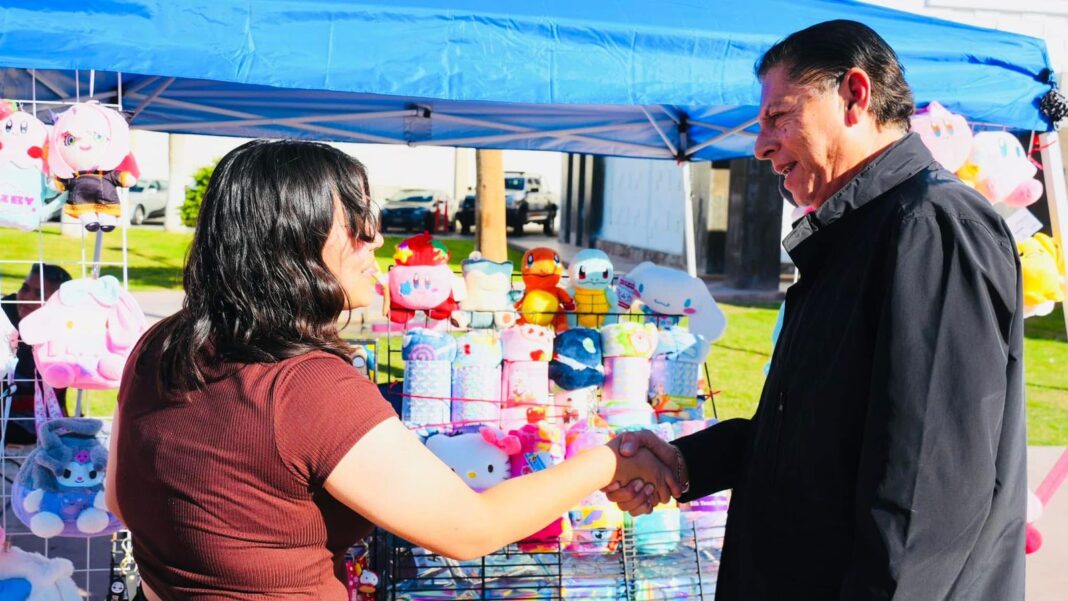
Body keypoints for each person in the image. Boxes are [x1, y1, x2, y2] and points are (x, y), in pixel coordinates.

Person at [105, 140, 676, 601]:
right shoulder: (308, 387)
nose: (375, 239)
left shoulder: (163, 345)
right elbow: (470, 529)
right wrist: (608, 459)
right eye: (356, 223)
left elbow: (118, 499)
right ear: (292, 240)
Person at [607, 19, 1026, 600]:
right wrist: (684, 463)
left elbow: (925, 494)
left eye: (778, 117)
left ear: (854, 95)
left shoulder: (929, 225)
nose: (761, 146)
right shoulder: (855, 233)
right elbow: (809, 434)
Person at [1, 263, 72, 444]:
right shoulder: (4, 315)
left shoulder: (65, 335)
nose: (26, 298)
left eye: (39, 294)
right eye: (25, 288)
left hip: (41, 425)